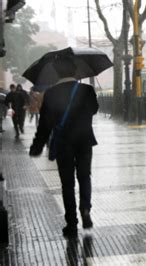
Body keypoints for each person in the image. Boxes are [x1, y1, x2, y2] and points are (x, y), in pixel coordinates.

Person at [29, 58, 99, 238]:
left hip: (63, 143)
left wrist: (37, 146)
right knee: (84, 177)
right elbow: (94, 110)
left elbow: (44, 124)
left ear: (57, 73)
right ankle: (85, 209)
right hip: (84, 141)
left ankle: (72, 224)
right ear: (75, 71)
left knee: (67, 184)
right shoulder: (87, 90)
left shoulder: (51, 94)